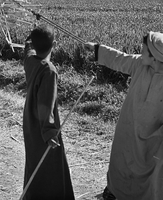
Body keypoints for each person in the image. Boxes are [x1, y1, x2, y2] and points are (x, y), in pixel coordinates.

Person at [84, 31, 163, 200]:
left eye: (143, 49)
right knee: (121, 161)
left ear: (155, 57)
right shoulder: (140, 64)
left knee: (151, 174)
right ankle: (114, 191)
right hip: (128, 127)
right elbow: (121, 59)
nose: (140, 51)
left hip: (152, 139)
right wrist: (98, 50)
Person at [22, 23, 75, 200]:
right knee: (49, 165)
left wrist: (31, 39)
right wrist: (49, 132)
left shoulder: (30, 61)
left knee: (34, 160)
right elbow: (46, 103)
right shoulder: (49, 70)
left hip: (30, 122)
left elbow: (28, 49)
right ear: (54, 44)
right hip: (43, 126)